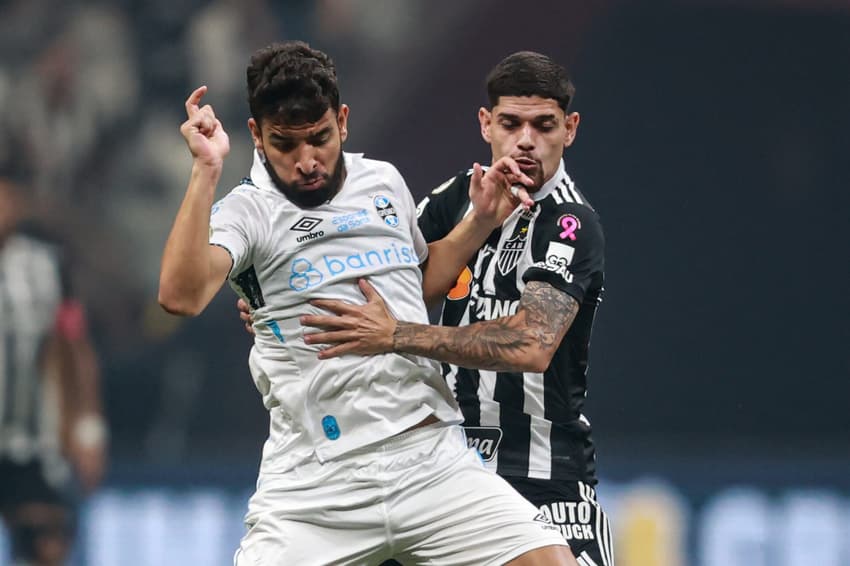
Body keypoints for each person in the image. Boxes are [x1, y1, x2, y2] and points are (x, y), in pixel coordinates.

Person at [158, 41, 577, 565]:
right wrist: (205, 171)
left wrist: (479, 223)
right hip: (317, 485)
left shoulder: (384, 181)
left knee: (551, 561)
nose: (307, 161)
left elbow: (418, 282)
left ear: (343, 121)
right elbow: (181, 296)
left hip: (429, 460)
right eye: (285, 144)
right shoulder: (249, 211)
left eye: (320, 138)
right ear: (256, 136)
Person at [296, 51, 615, 566]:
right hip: (439, 473)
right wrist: (280, 311)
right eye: (511, 123)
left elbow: (532, 345)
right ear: (486, 124)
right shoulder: (451, 202)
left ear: (570, 129)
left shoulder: (571, 225)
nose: (526, 141)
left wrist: (398, 335)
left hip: (545, 481)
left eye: (544, 125)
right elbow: (371, 292)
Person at [0, 168, 107, 566]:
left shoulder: (45, 265)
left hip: (34, 440)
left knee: (45, 544)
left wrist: (88, 427)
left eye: (8, 199)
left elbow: (74, 345)